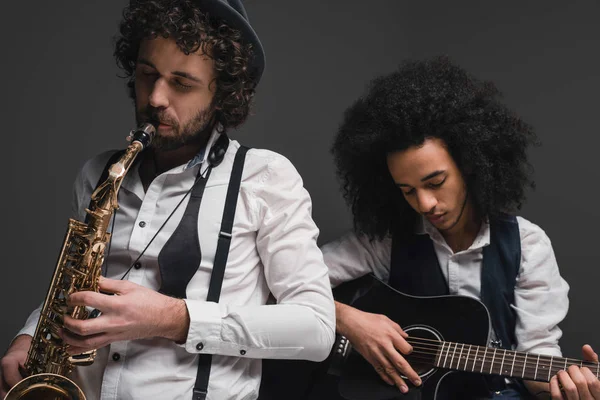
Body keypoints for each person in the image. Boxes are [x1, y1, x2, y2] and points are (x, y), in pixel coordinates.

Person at [0, 1, 335, 399]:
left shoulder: (264, 178)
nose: (156, 97)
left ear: (223, 94)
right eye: (147, 75)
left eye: (181, 82)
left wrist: (175, 319)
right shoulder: (98, 174)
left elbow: (315, 328)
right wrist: (28, 335)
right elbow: (73, 288)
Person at [321, 56, 600, 399]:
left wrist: (567, 389)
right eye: (407, 190)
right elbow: (287, 282)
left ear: (470, 165)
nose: (423, 204)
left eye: (435, 182)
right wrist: (349, 319)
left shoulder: (527, 245)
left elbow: (537, 355)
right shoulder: (385, 242)